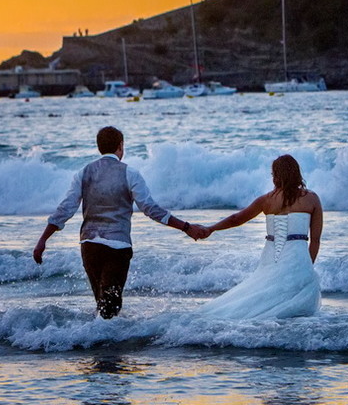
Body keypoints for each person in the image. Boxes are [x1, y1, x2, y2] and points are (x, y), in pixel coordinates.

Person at [34, 126, 207, 319]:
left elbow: (65, 209)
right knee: (110, 309)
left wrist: (43, 240)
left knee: (102, 305)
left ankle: (95, 345)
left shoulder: (84, 173)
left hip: (89, 246)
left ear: (99, 147)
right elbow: (150, 209)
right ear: (120, 146)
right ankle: (105, 346)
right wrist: (185, 227)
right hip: (117, 247)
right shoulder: (130, 173)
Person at [197, 154, 322, 319]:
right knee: (294, 306)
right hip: (299, 257)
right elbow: (315, 240)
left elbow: (237, 219)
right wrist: (307, 266)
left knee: (263, 293)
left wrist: (211, 228)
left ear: (276, 176)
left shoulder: (267, 200)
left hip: (271, 254)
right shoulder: (312, 199)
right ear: (297, 173)